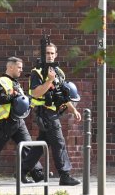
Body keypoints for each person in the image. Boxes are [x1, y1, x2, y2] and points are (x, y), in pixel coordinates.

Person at [22, 43, 81, 186]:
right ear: (42, 55)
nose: (49, 56)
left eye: (52, 53)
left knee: (40, 145)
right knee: (59, 142)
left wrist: (73, 109)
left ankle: (22, 171)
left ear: (56, 55)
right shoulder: (37, 72)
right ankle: (65, 175)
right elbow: (35, 93)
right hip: (45, 112)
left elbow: (62, 94)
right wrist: (48, 80)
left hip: (54, 111)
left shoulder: (59, 72)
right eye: (47, 53)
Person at [0, 57, 44, 184]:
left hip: (18, 120)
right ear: (10, 67)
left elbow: (20, 100)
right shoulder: (1, 82)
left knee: (28, 146)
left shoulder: (15, 83)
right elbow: (0, 98)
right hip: (5, 120)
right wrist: (14, 96)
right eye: (19, 67)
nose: (21, 70)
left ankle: (36, 173)